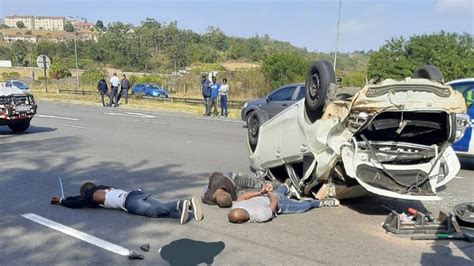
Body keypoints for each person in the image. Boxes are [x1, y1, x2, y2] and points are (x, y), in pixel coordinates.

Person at [50, 181, 203, 225]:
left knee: (154, 212)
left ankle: (183, 202)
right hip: (136, 193)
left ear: (86, 193)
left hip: (128, 202)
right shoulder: (106, 188)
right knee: (160, 206)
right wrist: (67, 198)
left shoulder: (94, 194)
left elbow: (79, 202)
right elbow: (79, 199)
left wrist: (63, 200)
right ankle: (187, 209)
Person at [227, 180, 339, 223]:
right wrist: (262, 192)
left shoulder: (259, 215)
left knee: (302, 206)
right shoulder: (236, 205)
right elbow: (244, 195)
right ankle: (286, 185)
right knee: (279, 193)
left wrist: (267, 192)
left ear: (240, 222)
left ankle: (319, 202)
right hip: (267, 196)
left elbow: (274, 202)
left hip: (278, 202)